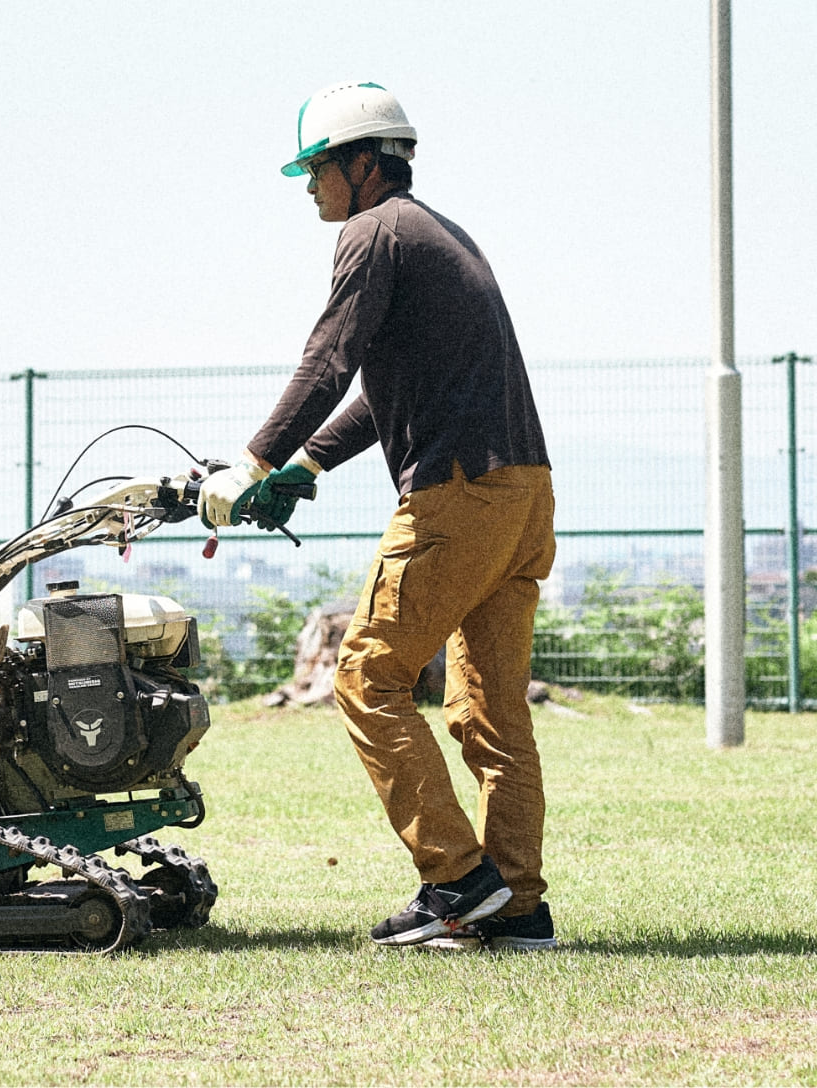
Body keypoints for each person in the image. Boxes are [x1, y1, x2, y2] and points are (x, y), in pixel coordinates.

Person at [202, 81, 559, 951]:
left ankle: (454, 880)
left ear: (363, 165)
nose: (311, 187)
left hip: (458, 493)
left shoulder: (372, 233)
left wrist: (250, 460)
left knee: (367, 676)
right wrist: (307, 461)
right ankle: (516, 908)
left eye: (317, 168)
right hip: (523, 493)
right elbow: (382, 388)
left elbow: (330, 357)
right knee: (490, 711)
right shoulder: (435, 234)